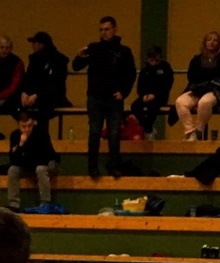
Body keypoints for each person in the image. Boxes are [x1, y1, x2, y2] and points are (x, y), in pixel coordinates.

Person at [72, 16, 137, 178]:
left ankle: (114, 166)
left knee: (114, 133)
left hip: (114, 99)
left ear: (114, 29)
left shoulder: (124, 51)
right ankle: (92, 168)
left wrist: (124, 92)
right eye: (101, 30)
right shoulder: (93, 49)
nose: (104, 32)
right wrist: (79, 56)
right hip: (95, 98)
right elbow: (76, 66)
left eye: (107, 29)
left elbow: (131, 74)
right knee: (94, 133)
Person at [174, 31, 220, 142]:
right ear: (205, 42)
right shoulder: (196, 59)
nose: (212, 42)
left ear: (219, 43)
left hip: (215, 90)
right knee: (180, 102)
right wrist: (210, 74)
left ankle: (198, 131)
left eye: (215, 40)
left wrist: (204, 75)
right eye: (209, 40)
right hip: (197, 89)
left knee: (204, 102)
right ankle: (189, 131)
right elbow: (191, 76)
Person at [8, 112, 59, 214]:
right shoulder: (15, 136)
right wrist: (21, 144)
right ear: (18, 125)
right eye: (24, 126)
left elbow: (45, 157)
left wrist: (26, 157)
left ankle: (45, 202)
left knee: (40, 169)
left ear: (33, 123)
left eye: (30, 126)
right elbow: (13, 160)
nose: (27, 129)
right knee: (12, 170)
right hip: (28, 165)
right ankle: (13, 204)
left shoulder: (41, 133)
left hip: (48, 164)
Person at [20, 32, 72, 132]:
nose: (33, 46)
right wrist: (25, 92)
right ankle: (24, 131)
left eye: (34, 43)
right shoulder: (34, 59)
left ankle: (41, 135)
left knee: (43, 106)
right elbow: (29, 78)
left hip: (53, 97)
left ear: (41, 44)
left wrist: (37, 95)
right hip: (34, 96)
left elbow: (55, 84)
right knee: (17, 103)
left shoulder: (58, 60)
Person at [130, 46, 174, 141]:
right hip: (146, 96)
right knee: (135, 106)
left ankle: (147, 129)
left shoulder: (165, 67)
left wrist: (155, 95)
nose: (153, 61)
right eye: (151, 59)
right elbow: (140, 86)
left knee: (152, 107)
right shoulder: (145, 70)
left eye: (156, 59)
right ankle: (148, 128)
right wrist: (143, 96)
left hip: (160, 97)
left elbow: (167, 85)